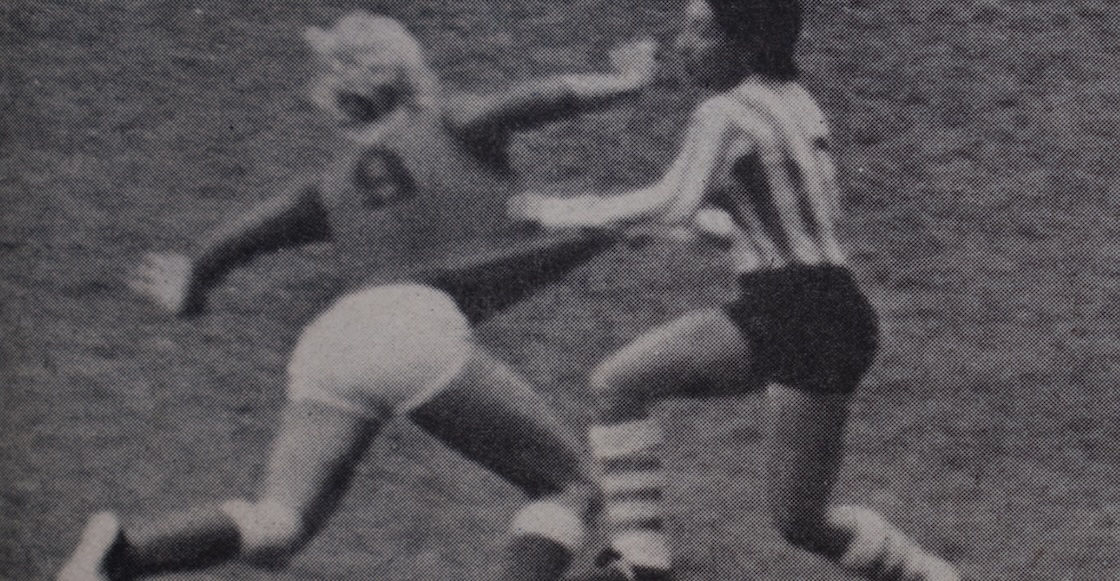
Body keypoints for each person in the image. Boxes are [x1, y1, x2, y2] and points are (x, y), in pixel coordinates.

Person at [56, 11, 660, 581]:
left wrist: (194, 282)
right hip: (412, 331)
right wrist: (626, 84)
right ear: (409, 71)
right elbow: (536, 99)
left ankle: (120, 556)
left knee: (279, 525)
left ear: (336, 94)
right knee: (571, 486)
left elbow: (237, 239)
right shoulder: (448, 123)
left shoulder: (328, 186)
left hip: (334, 341)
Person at [515, 1, 963, 580]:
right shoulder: (796, 102)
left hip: (795, 310)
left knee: (623, 389)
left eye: (702, 32)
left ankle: (645, 566)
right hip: (826, 310)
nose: (682, 44)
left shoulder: (725, 112)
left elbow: (674, 202)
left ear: (746, 44)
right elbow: (758, 218)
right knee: (798, 518)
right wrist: (654, 227)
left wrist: (552, 212)